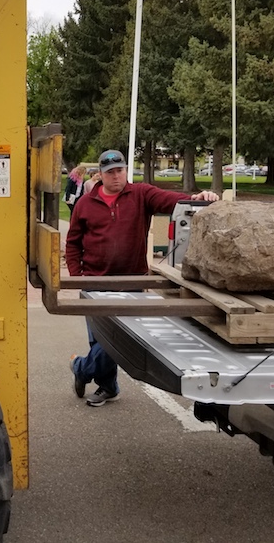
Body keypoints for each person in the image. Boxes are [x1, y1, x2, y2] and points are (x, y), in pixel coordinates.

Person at [67, 149, 219, 406]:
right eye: (110, 172)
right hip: (95, 282)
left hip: (132, 282)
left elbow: (173, 202)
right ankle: (108, 387)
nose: (116, 176)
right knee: (101, 341)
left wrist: (197, 198)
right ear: (101, 175)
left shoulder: (140, 194)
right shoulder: (85, 204)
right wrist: (77, 277)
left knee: (118, 340)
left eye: (120, 170)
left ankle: (81, 368)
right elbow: (73, 243)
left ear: (126, 170)